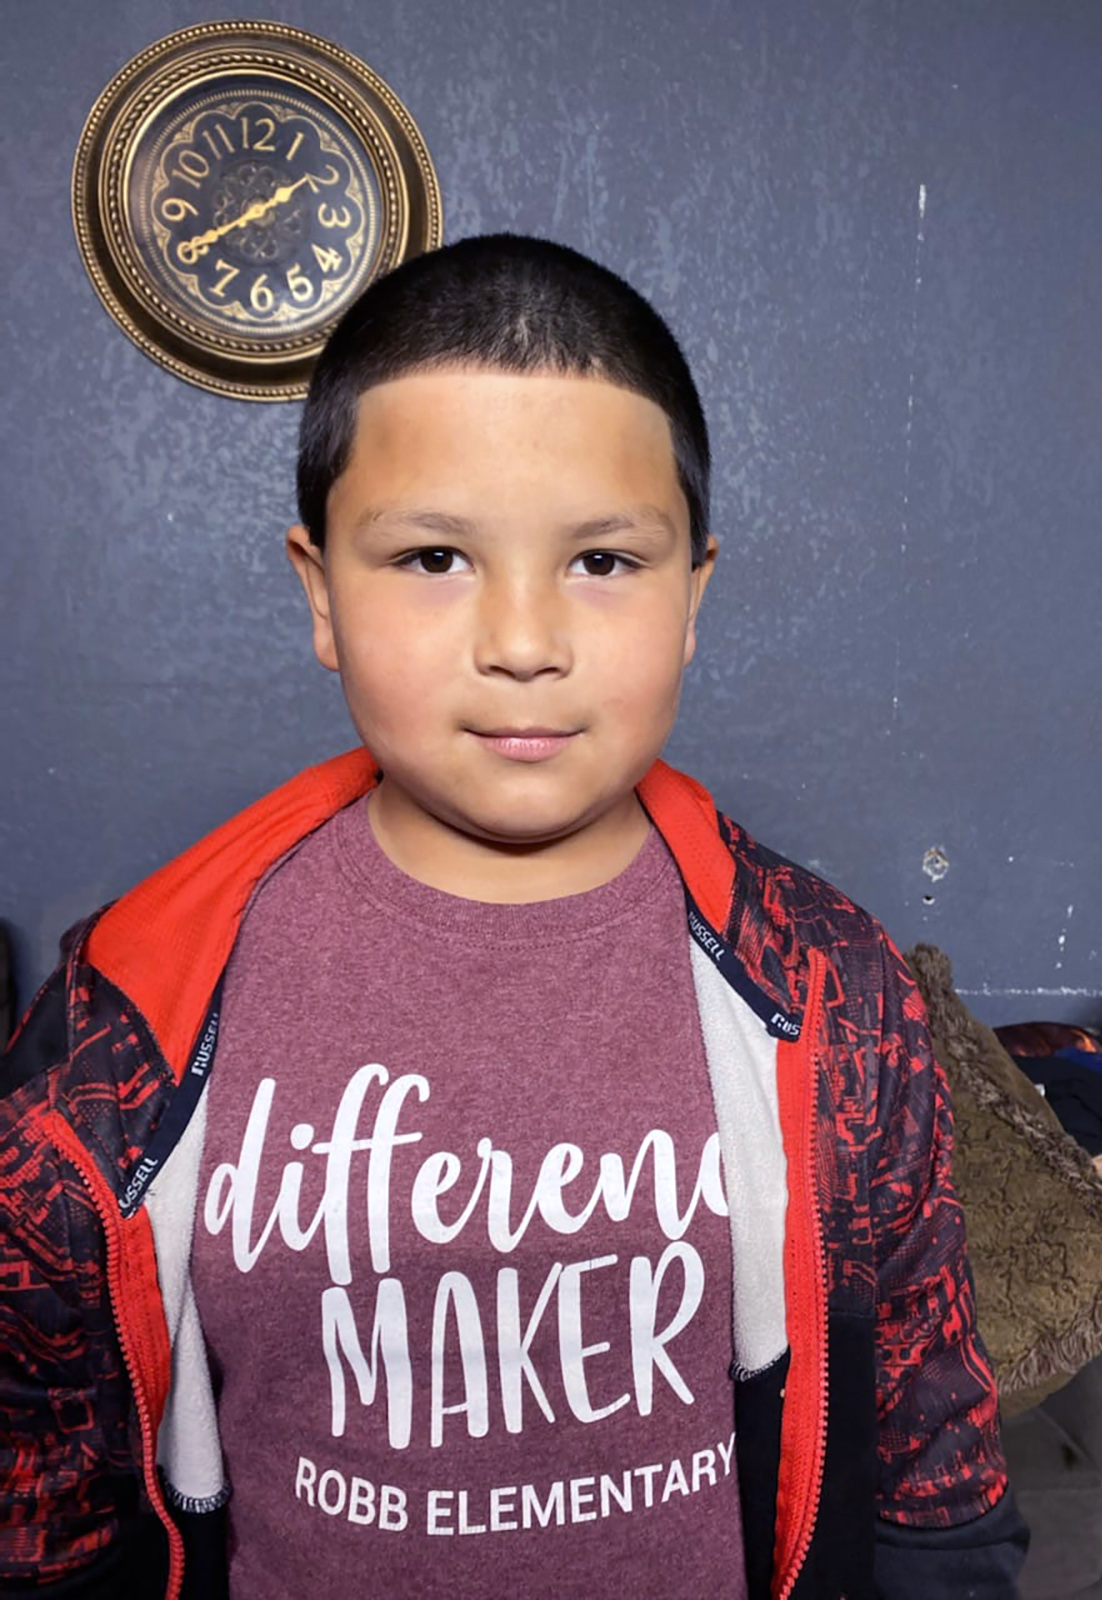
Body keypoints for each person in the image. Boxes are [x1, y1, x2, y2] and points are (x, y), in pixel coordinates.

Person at [0, 235, 1027, 1600]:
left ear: (694, 595)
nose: (525, 637)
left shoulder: (834, 990)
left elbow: (933, 1475)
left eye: (603, 561)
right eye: (433, 556)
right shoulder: (119, 1027)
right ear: (320, 593)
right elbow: (45, 1517)